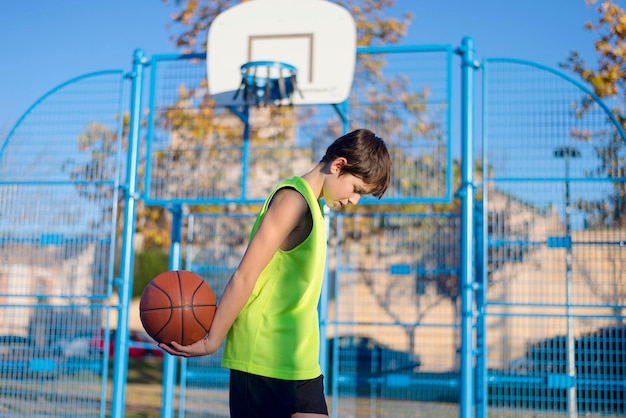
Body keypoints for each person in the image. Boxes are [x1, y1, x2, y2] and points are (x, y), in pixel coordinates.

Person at [159, 128, 392, 418]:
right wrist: (212, 340)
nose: (355, 200)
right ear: (338, 165)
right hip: (263, 358)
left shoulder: (316, 209)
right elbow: (246, 274)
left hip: (300, 360)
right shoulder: (292, 202)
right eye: (357, 189)